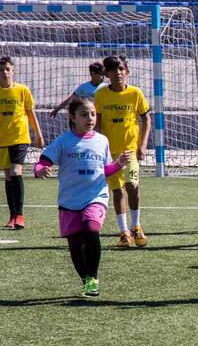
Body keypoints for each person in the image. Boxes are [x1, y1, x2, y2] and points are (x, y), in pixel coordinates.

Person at [34, 98, 131, 296]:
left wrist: (119, 164)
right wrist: (39, 170)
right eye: (84, 115)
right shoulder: (63, 141)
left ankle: (93, 277)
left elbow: (105, 170)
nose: (90, 118)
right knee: (75, 244)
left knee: (91, 228)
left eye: (93, 114)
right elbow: (43, 161)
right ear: (73, 117)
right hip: (69, 200)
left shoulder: (102, 140)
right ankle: (86, 280)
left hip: (95, 196)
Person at [94, 54, 151, 247]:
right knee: (117, 191)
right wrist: (97, 146)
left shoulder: (135, 93)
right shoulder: (101, 95)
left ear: (127, 71)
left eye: (121, 69)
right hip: (109, 153)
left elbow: (146, 118)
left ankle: (136, 225)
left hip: (129, 151)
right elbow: (97, 123)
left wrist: (143, 145)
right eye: (112, 70)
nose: (117, 73)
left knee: (132, 186)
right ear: (107, 74)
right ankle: (124, 232)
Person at [0, 56, 44, 230]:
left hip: (20, 138)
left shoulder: (23, 90)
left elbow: (31, 113)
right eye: (1, 70)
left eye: (7, 69)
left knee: (16, 171)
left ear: (13, 71)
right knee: (8, 176)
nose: (5, 73)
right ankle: (12, 215)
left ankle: (19, 215)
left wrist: (38, 135)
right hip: (2, 139)